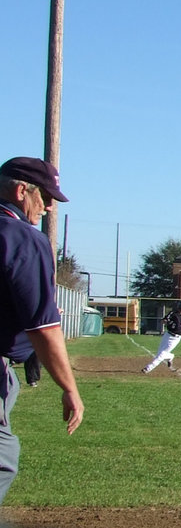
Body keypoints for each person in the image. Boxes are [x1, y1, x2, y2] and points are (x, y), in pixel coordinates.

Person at [0, 156, 84, 502]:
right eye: (46, 197)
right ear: (22, 191)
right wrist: (69, 388)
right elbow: (44, 327)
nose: (50, 207)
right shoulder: (21, 237)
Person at [143, 301, 181, 373]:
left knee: (161, 355)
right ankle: (170, 356)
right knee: (160, 353)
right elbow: (163, 321)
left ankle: (148, 368)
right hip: (167, 335)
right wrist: (167, 321)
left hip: (175, 338)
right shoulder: (173, 314)